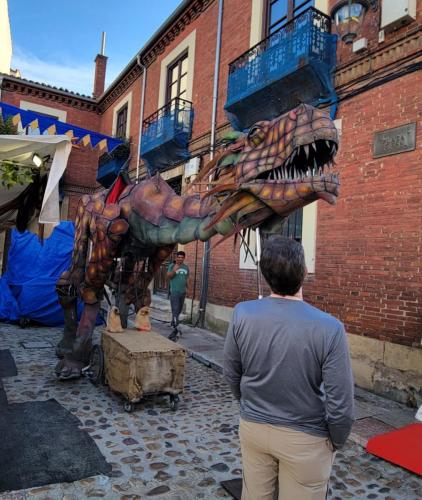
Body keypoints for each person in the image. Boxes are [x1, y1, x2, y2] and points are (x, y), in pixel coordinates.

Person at [223, 235, 355, 500]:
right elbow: (341, 403)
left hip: (254, 427)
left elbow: (231, 371)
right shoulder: (329, 328)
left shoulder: (242, 314)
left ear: (264, 273)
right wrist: (336, 440)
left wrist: (247, 404)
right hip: (306, 437)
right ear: (304, 272)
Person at [166, 251, 189, 339]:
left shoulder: (186, 267)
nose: (180, 259)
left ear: (184, 258)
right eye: (178, 257)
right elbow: (169, 276)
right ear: (176, 258)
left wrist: (188, 288)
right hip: (174, 291)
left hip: (182, 291)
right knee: (175, 308)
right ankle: (176, 327)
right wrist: (174, 270)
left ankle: (174, 321)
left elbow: (186, 278)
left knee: (179, 308)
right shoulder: (172, 266)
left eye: (181, 257)